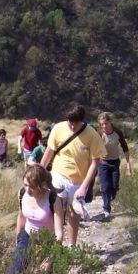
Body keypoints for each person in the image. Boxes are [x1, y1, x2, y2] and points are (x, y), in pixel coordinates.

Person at [38, 103, 106, 247]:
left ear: (81, 120)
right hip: (58, 174)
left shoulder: (92, 135)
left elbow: (95, 163)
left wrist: (84, 187)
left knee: (74, 214)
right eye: (70, 122)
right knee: (56, 209)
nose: (73, 126)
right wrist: (39, 173)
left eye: (76, 123)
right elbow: (49, 152)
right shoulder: (58, 129)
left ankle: (72, 245)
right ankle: (53, 244)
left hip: (78, 181)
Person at [9, 165, 62, 274]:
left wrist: (50, 257)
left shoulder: (53, 199)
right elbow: (21, 217)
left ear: (41, 185)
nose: (28, 189)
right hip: (27, 236)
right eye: (25, 185)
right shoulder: (22, 194)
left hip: (48, 240)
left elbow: (59, 232)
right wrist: (18, 240)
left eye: (31, 186)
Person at [96, 112, 133, 220]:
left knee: (114, 186)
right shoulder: (99, 134)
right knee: (105, 186)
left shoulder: (118, 132)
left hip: (115, 162)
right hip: (103, 163)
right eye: (101, 124)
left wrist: (128, 163)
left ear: (110, 122)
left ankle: (111, 197)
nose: (104, 126)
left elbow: (125, 147)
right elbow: (93, 148)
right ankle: (106, 209)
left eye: (105, 123)